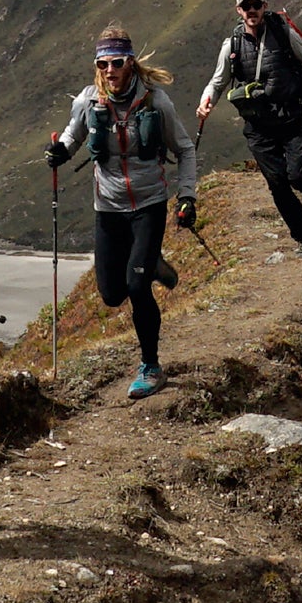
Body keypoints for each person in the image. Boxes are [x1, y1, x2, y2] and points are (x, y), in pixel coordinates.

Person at [45, 25, 198, 400]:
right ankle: (153, 263)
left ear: (130, 63)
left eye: (116, 62)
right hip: (108, 207)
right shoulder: (88, 101)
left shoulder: (156, 102)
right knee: (112, 295)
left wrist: (187, 197)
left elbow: (185, 149)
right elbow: (72, 134)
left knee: (136, 286)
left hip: (148, 203)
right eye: (102, 63)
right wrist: (62, 151)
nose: (109, 70)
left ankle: (151, 366)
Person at [196, 0, 302, 260]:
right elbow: (218, 81)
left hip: (292, 118)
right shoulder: (231, 45)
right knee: (278, 184)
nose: (252, 10)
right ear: (239, 11)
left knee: (297, 176)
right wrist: (206, 100)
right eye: (246, 6)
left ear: (264, 6)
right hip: (259, 127)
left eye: (256, 5)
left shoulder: (283, 33)